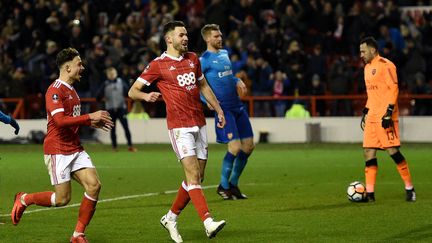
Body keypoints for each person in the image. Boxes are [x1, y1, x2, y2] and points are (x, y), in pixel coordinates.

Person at [128, 21, 226, 243]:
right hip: (179, 126)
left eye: (186, 35)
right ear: (168, 39)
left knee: (198, 177)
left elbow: (203, 86)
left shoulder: (193, 59)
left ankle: (170, 218)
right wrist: (146, 96)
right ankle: (208, 221)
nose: (186, 38)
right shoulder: (158, 65)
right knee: (193, 176)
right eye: (181, 35)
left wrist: (218, 109)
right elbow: (133, 91)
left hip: (199, 124)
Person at [11, 47, 114, 243]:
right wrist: (89, 116)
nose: (82, 68)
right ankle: (25, 198)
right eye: (79, 64)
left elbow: (72, 118)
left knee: (94, 186)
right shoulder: (55, 90)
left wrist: (91, 122)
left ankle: (78, 235)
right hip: (57, 149)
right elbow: (59, 121)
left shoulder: (72, 90)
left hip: (74, 147)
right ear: (67, 67)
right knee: (61, 200)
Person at [199, 24, 255, 200]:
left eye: (220, 35)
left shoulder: (224, 54)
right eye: (216, 36)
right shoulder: (204, 60)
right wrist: (206, 101)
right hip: (224, 110)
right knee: (235, 147)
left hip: (237, 106)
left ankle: (233, 185)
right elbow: (196, 85)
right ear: (208, 39)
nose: (220, 39)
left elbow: (227, 75)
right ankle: (223, 186)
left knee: (248, 146)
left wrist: (237, 80)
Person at [359, 36, 415, 202]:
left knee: (392, 151)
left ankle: (410, 188)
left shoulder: (386, 65)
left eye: (363, 51)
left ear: (373, 50)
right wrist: (366, 110)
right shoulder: (367, 68)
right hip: (373, 116)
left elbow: (394, 88)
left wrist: (389, 111)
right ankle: (370, 194)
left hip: (385, 115)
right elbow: (372, 94)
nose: (361, 55)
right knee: (368, 151)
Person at [96, 67, 137, 152]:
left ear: (116, 74)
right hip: (110, 109)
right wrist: (101, 97)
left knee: (126, 128)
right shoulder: (105, 84)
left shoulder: (121, 82)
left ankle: (130, 146)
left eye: (113, 73)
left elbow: (128, 92)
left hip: (121, 108)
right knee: (113, 129)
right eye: (110, 74)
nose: (111, 75)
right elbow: (98, 96)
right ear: (107, 75)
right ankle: (114, 147)